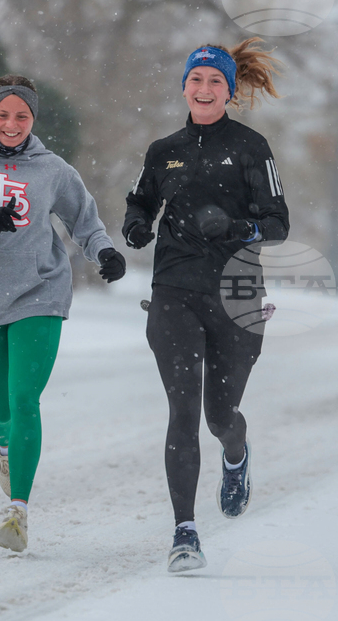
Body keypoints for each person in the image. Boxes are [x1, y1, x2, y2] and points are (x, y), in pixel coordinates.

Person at [0, 74, 126, 553]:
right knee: (0, 409)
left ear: (33, 119)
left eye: (22, 115)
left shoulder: (53, 170)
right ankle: (6, 447)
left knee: (24, 399)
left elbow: (86, 221)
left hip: (41, 292)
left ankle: (18, 511)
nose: (12, 123)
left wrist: (104, 253)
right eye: (3, 114)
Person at [123, 39, 289, 572]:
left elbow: (279, 224)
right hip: (174, 290)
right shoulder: (163, 149)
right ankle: (185, 533)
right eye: (196, 79)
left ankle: (235, 454)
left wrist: (239, 227)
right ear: (185, 86)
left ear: (229, 90)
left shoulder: (251, 148)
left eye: (215, 81)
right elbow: (142, 198)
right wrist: (136, 223)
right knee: (182, 411)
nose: (205, 88)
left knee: (220, 416)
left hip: (237, 295)